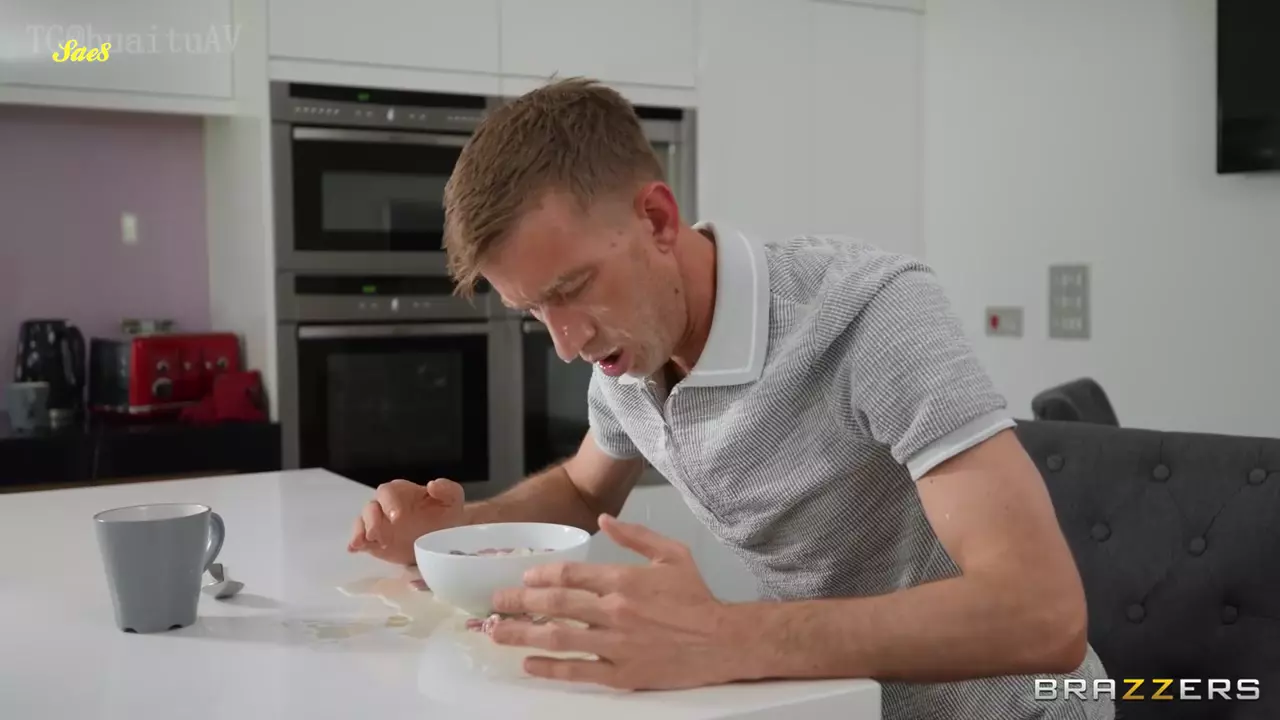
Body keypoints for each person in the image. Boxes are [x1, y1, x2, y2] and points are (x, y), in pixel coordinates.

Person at [347, 77, 1114, 720]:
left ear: (656, 219)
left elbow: (1041, 615)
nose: (566, 343)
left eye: (572, 288)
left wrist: (720, 636)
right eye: (534, 311)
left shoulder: (871, 314)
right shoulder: (627, 357)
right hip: (834, 705)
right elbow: (582, 490)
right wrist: (454, 533)